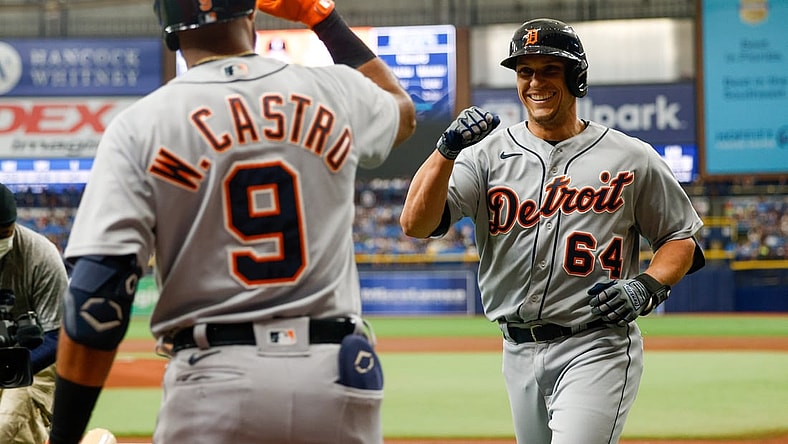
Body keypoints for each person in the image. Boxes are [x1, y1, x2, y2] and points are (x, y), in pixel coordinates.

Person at [47, 0, 415, 442]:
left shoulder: (141, 125)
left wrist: (63, 436)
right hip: (335, 378)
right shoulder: (334, 89)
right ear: (252, 13)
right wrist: (323, 19)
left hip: (214, 380)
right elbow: (402, 111)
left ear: (168, 28)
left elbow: (97, 302)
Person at [400, 18, 705, 444]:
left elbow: (679, 237)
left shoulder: (632, 156)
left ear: (576, 77)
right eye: (525, 72)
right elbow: (416, 223)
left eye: (549, 70)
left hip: (595, 344)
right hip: (516, 349)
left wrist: (648, 284)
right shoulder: (486, 155)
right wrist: (445, 152)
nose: (535, 82)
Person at [0, 183, 69, 444]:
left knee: (6, 428)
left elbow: (59, 333)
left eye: (4, 232)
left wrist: (15, 365)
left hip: (32, 359)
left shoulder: (41, 255)